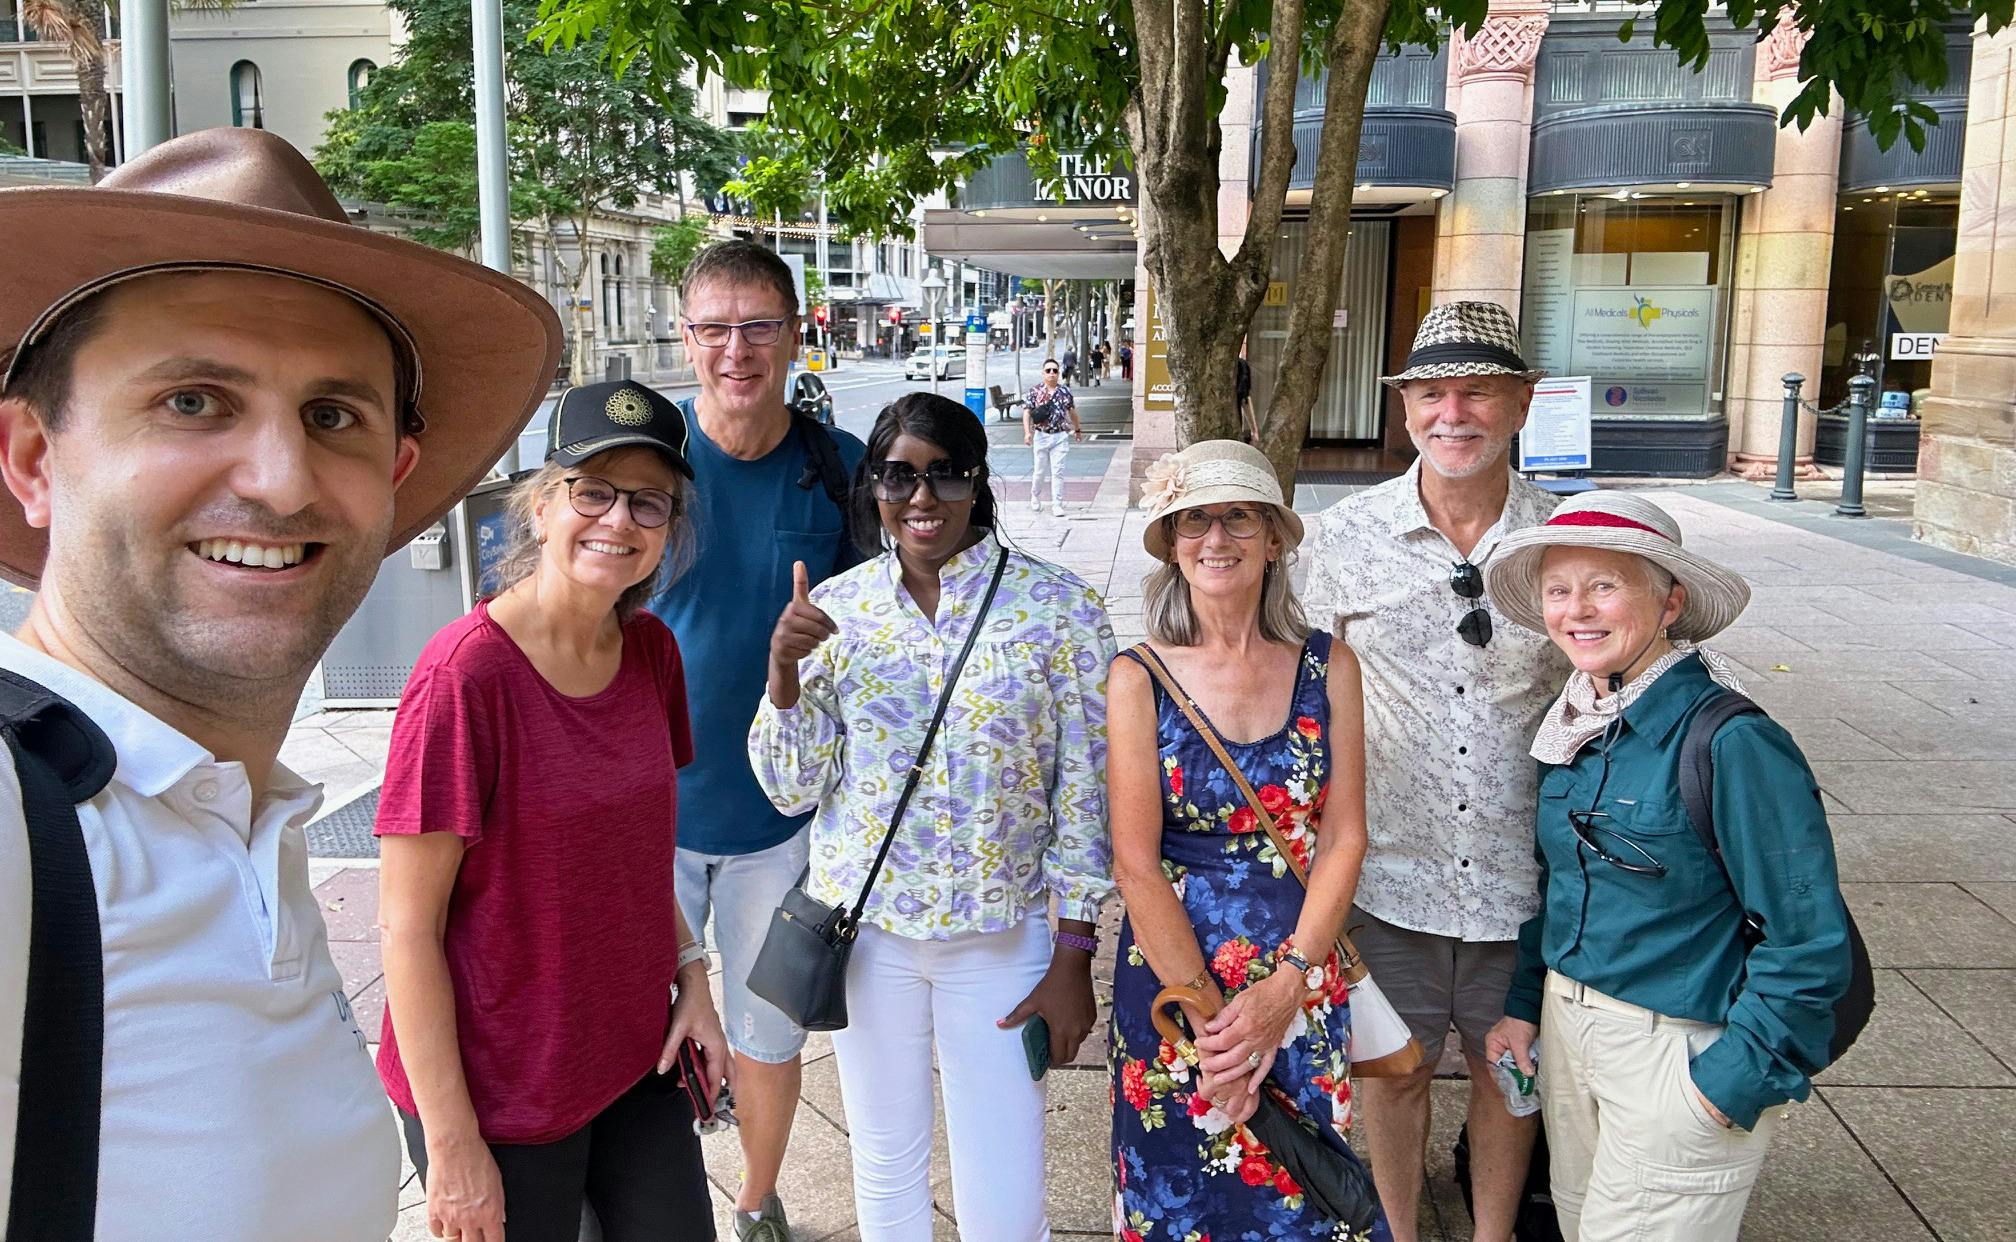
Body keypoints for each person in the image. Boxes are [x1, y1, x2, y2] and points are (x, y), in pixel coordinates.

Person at [0, 129, 561, 1239]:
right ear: (31, 460)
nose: (281, 480)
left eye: (333, 416)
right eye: (194, 401)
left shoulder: (245, 818)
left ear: (394, 480)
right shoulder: (24, 826)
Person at [752, 393, 1115, 1242]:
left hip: (1001, 940)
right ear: (872, 487)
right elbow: (790, 789)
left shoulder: (1059, 610)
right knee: (884, 1160)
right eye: (899, 476)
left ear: (979, 484)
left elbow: (1086, 794)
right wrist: (782, 677)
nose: (923, 498)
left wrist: (1074, 950)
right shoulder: (837, 610)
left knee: (1005, 1175)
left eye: (946, 474)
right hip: (867, 938)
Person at [375, 382, 728, 1242]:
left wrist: (693, 977)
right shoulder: (465, 676)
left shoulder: (651, 651)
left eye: (649, 502)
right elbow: (405, 930)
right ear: (540, 506)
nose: (619, 520)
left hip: (631, 1051)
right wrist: (452, 1150)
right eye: (594, 490)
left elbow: (637, 855)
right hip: (500, 1084)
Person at [1482, 493, 1853, 1241]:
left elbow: (1809, 942)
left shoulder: (1732, 741)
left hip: (1678, 1050)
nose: (1577, 610)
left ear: (1670, 600)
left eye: (1605, 585)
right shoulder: (1575, 724)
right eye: (1560, 590)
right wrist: (1527, 1004)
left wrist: (1728, 1085)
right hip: (1569, 1035)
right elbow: (1559, 887)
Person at [1303, 301, 1570, 1242]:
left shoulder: (1566, 537)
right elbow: (1294, 682)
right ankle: (1400, 1231)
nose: (1453, 413)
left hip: (1529, 872)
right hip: (1388, 870)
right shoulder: (1341, 537)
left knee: (1514, 1069)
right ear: (1406, 406)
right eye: (1431, 392)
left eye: (1479, 392)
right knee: (1396, 1066)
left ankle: (1494, 1233)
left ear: (1523, 404)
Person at [1108, 441, 1390, 1242]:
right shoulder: (1138, 676)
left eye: (1239, 516)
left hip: (1296, 974)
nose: (1217, 537)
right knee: (1181, 1206)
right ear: (1172, 543)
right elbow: (1134, 862)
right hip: (1173, 992)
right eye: (1194, 519)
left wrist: (1286, 989)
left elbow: (1344, 839)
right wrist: (1211, 1024)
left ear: (1274, 539)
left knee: (1304, 1198)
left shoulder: (1329, 667)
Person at [647, 241, 866, 1242]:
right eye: (714, 328)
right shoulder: (646, 469)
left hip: (783, 820)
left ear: (793, 332)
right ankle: (650, 1196)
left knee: (769, 1027)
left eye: (758, 326)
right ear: (686, 339)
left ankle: (756, 1198)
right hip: (644, 813)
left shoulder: (840, 470)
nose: (737, 349)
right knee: (637, 1028)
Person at [1024, 357, 1083, 518]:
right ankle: (1035, 495)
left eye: (1055, 371)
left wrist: (1077, 429)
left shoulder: (1064, 392)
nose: (1051, 374)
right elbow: (1027, 412)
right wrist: (1027, 433)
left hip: (1060, 437)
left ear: (1059, 374)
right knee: (1040, 471)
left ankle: (1057, 504)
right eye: (1048, 371)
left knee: (1058, 472)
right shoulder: (1035, 391)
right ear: (1043, 373)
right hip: (1041, 436)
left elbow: (1072, 412)